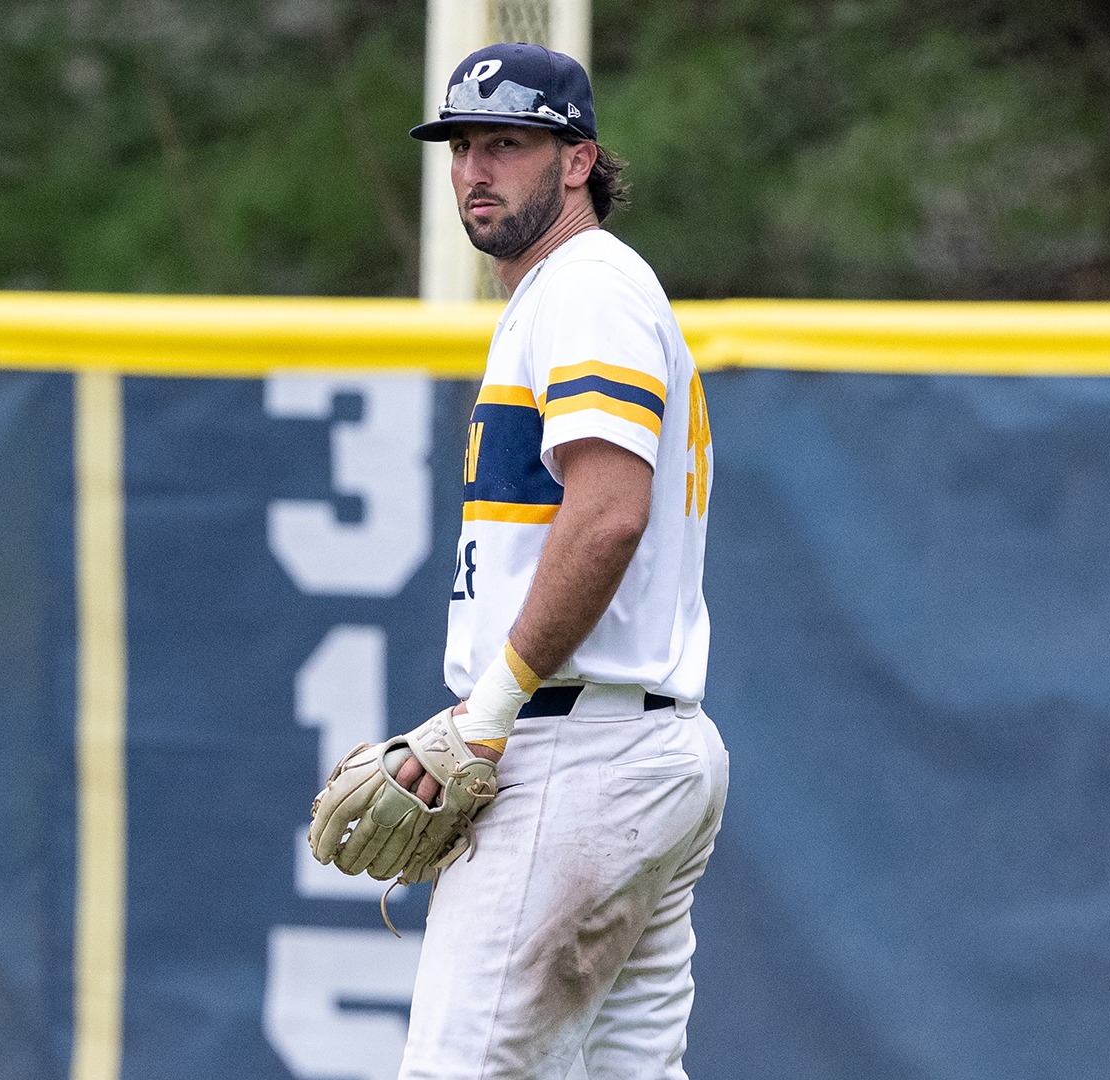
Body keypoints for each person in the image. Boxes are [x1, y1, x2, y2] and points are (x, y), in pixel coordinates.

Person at [312, 42, 726, 1080]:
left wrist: (486, 713)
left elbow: (607, 518)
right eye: (461, 146)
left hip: (577, 756)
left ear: (578, 159)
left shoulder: (587, 288)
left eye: (508, 144)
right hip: (626, 746)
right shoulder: (563, 295)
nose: (475, 170)